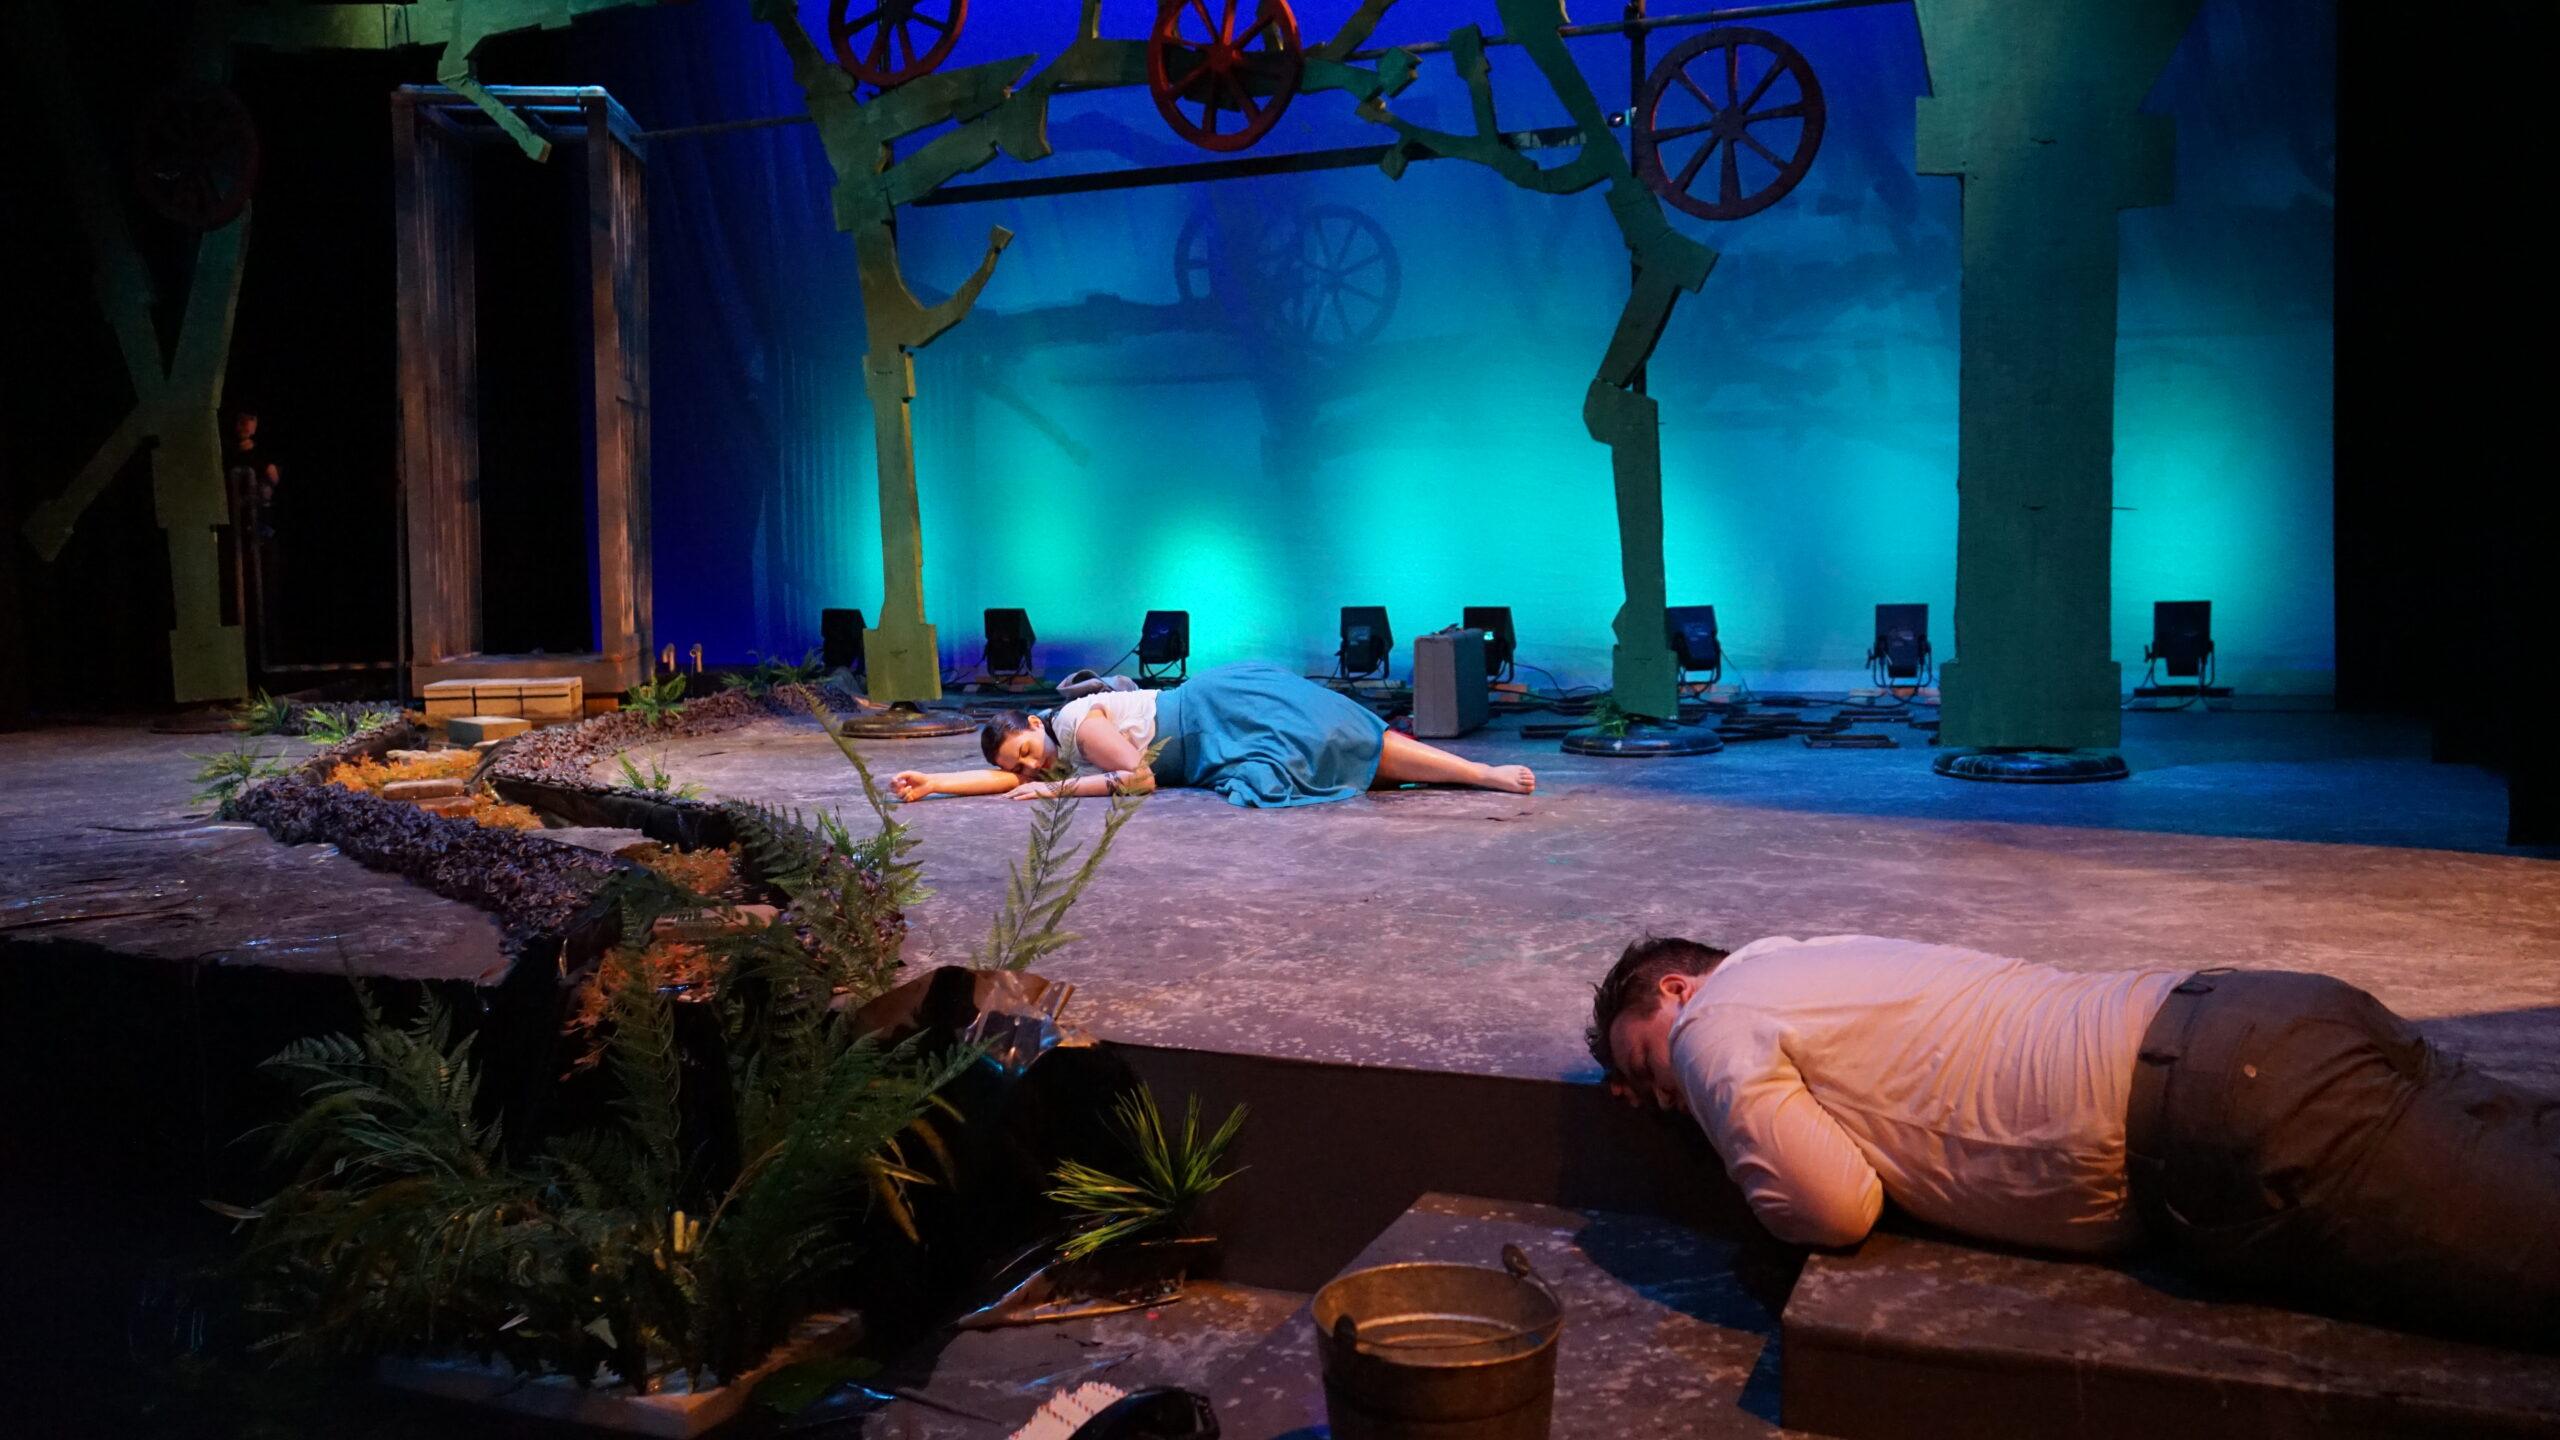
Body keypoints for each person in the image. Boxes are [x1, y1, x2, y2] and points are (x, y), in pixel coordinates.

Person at [1587, 932, 2560, 1346]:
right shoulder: (1806, 961)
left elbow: (1828, 1207)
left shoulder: (1715, 1019)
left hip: (2236, 1103)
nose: (1664, 1094)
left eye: (1645, 1060)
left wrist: (1704, 1101)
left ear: (1678, 987)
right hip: (2256, 1021)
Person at [888, 661, 1535, 807]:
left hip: (1216, 717)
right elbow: (1005, 780)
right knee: (1337, 752)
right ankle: (1474, 776)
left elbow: (1135, 778)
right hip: (1209, 740)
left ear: (1037, 725)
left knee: (1337, 737)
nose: (1029, 769)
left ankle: (1483, 774)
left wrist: (1054, 792)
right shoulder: (1047, 753)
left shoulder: (1078, 724)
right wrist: (934, 782)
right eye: (1022, 766)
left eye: (1026, 753)